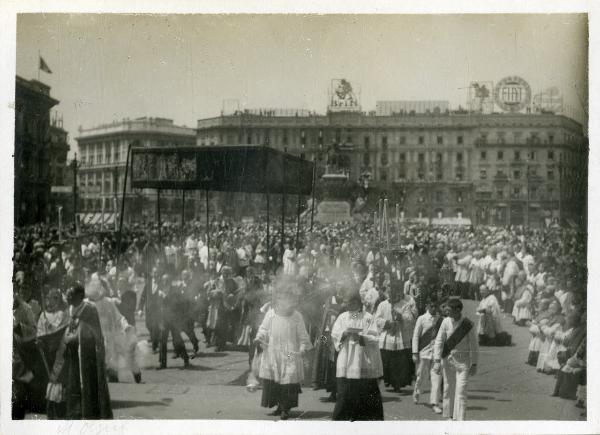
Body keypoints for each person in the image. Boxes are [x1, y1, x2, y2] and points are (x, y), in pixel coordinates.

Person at [49, 284, 113, 419]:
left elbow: (93, 333)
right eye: (67, 293)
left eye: (71, 294)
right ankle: (75, 413)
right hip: (72, 355)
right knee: (73, 386)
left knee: (88, 385)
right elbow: (66, 329)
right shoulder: (70, 309)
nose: (68, 296)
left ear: (80, 296)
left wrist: (76, 338)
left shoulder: (89, 309)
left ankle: (89, 414)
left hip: (87, 356)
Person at [255, 279, 312, 420]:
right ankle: (279, 405)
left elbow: (303, 335)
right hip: (273, 351)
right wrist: (259, 337)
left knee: (288, 381)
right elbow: (263, 328)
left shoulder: (296, 316)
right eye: (281, 298)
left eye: (288, 299)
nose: (284, 302)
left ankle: (286, 408)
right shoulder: (271, 314)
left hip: (290, 353)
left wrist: (303, 347)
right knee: (275, 381)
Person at [331, 292, 384, 421]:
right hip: (347, 359)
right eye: (346, 302)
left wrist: (361, 337)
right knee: (344, 393)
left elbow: (375, 337)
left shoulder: (368, 317)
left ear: (358, 302)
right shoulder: (343, 317)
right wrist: (344, 333)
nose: (347, 305)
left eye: (351, 302)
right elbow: (334, 334)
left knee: (366, 393)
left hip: (363, 360)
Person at [433, 298, 479, 421]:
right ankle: (450, 416)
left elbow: (474, 345)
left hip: (463, 362)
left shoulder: (467, 324)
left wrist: (474, 364)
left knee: (461, 391)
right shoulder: (445, 322)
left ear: (458, 310)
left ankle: (461, 420)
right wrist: (437, 360)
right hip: (447, 360)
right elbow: (439, 341)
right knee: (448, 388)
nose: (447, 313)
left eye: (449, 310)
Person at [411, 300, 443, 413]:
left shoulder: (440, 319)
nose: (434, 308)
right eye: (432, 306)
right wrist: (414, 352)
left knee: (436, 378)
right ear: (427, 306)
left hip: (436, 353)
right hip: (424, 352)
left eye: (436, 306)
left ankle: (434, 403)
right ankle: (417, 391)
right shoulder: (421, 318)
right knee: (421, 375)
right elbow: (415, 336)